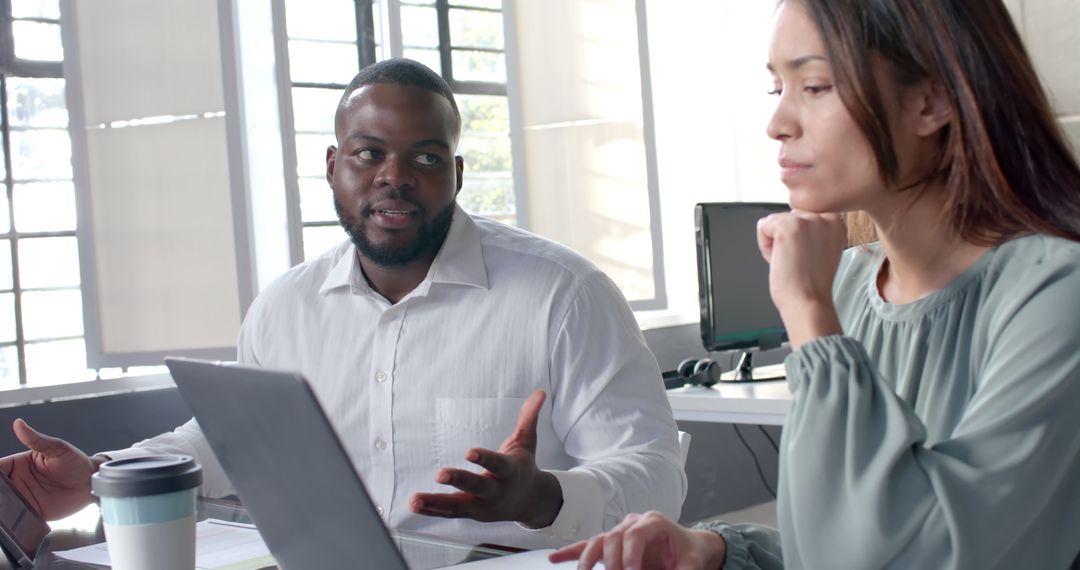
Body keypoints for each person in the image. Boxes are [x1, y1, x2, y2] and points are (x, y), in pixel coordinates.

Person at [0, 58, 686, 550]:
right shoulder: (284, 307)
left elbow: (655, 477)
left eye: (424, 158)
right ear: (334, 167)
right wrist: (99, 475)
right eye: (369, 154)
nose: (394, 178)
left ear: (456, 172)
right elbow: (225, 445)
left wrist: (542, 497)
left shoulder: (564, 296)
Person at [553, 0, 1080, 568]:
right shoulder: (854, 282)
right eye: (776, 87)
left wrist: (808, 310)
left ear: (933, 101)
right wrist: (717, 552)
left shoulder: (1057, 291)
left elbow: (935, 553)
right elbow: (845, 543)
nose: (778, 123)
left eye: (816, 86)